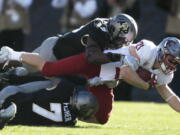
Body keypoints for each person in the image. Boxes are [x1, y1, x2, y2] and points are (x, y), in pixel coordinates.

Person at [0, 74, 99, 129]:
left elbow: (48, 74)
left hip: (13, 98)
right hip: (17, 119)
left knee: (12, 89)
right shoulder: (69, 123)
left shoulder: (66, 89)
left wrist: (17, 78)